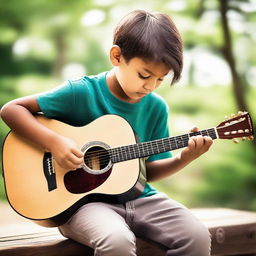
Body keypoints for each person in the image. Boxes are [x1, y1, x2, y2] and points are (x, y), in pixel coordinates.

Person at [0, 10, 213, 256]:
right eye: (144, 75)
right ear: (116, 56)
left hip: (140, 199)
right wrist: (55, 143)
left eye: (160, 79)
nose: (150, 86)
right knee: (117, 241)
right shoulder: (81, 92)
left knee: (196, 236)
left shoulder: (156, 108)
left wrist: (183, 159)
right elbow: (11, 110)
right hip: (81, 205)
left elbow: (147, 172)